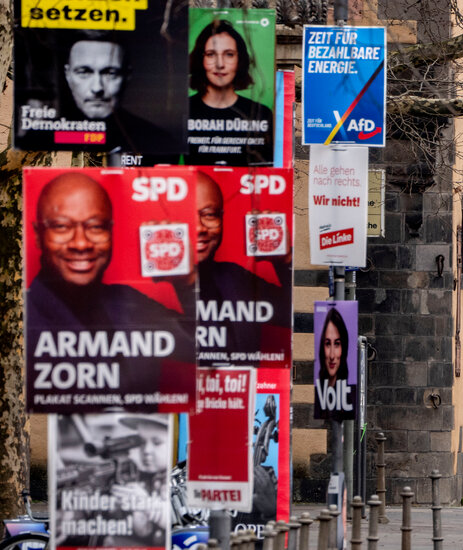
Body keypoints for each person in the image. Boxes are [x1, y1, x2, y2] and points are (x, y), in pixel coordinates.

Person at [26, 173, 194, 395]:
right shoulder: (21, 318)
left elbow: (204, 351)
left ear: (111, 232)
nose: (81, 243)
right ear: (38, 235)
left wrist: (187, 281)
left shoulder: (128, 302)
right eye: (61, 226)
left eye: (96, 226)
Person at [174, 171, 291, 363]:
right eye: (185, 214)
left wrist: (285, 259)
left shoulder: (234, 278)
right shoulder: (140, 293)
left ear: (222, 218)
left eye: (209, 215)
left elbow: (295, 316)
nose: (200, 228)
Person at [58, 31, 173, 152]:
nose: (97, 88)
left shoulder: (158, 141)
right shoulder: (45, 138)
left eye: (110, 73)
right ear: (67, 75)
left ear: (127, 76)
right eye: (84, 72)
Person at [187, 20, 274, 165]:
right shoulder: (183, 111)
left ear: (240, 60)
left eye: (229, 54)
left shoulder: (261, 114)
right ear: (200, 59)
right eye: (211, 54)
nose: (220, 64)